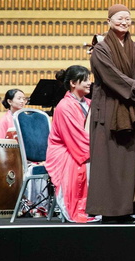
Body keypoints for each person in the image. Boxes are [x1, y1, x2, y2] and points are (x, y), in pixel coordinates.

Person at [88, 3, 135, 222]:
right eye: (119, 18)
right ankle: (108, 211)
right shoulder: (101, 49)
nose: (124, 22)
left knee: (130, 162)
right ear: (109, 22)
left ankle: (127, 209)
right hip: (109, 110)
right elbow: (112, 77)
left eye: (127, 18)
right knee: (107, 162)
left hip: (132, 110)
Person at [46, 65, 92, 222]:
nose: (89, 83)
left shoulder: (88, 103)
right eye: (85, 80)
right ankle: (82, 208)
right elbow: (75, 138)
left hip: (80, 146)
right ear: (73, 83)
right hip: (65, 150)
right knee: (82, 162)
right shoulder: (64, 106)